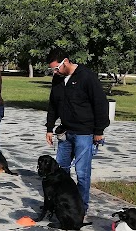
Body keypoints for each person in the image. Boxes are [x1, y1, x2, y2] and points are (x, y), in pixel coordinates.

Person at [44, 48, 109, 215]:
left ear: (66, 61)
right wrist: (49, 128)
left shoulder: (87, 77)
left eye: (56, 68)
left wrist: (99, 131)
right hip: (65, 132)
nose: (55, 72)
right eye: (52, 70)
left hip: (84, 133)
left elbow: (100, 104)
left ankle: (80, 207)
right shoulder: (58, 79)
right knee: (60, 170)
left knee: (82, 172)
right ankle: (61, 203)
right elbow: (53, 104)